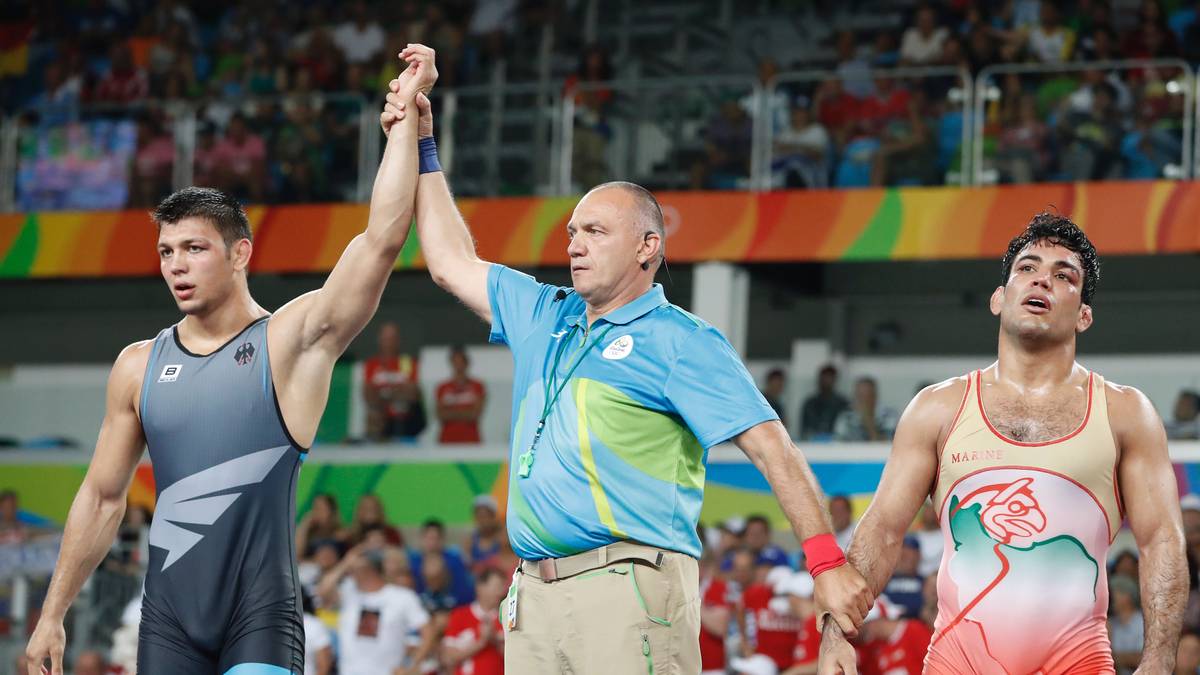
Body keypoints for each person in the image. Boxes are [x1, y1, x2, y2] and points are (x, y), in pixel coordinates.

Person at [381, 44, 872, 673]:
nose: (574, 245)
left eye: (595, 232)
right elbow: (450, 263)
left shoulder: (680, 339)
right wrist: (424, 143)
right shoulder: (545, 313)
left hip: (631, 588)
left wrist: (825, 563)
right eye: (571, 233)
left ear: (648, 247)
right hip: (533, 596)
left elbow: (772, 448)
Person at [23, 48, 437, 675]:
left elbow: (381, 239)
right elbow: (103, 498)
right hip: (166, 623)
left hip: (260, 618)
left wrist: (405, 126)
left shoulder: (289, 343)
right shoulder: (138, 366)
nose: (177, 265)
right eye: (166, 251)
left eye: (194, 248)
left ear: (240, 252)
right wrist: (52, 613)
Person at [820, 213, 1187, 673]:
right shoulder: (937, 408)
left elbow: (1160, 543)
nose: (1042, 281)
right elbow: (883, 530)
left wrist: (1159, 661)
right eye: (1027, 269)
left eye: (1063, 275)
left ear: (1085, 315)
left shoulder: (1126, 412)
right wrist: (837, 633)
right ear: (999, 298)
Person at [319, 546, 437, 675]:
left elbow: (428, 632)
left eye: (355, 568)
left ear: (370, 570)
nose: (351, 572)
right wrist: (345, 563)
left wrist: (412, 666)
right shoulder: (348, 593)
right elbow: (323, 590)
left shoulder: (402, 597)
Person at [363, 321, 425, 441]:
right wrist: (398, 391)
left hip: (406, 422)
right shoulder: (372, 364)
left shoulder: (407, 362)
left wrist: (383, 393)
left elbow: (412, 394)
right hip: (381, 424)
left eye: (392, 338)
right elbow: (368, 396)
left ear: (398, 340)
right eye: (386, 338)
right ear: (379, 340)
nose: (389, 342)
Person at [441, 567, 508, 675]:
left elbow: (517, 659)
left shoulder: (507, 617)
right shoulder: (460, 615)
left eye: (503, 586)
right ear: (480, 587)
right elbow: (448, 658)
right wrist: (481, 642)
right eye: (496, 586)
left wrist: (494, 640)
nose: (501, 591)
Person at [435, 345, 486, 443]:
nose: (458, 365)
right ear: (451, 363)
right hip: (447, 441)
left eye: (461, 361)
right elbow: (440, 415)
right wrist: (465, 412)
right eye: (455, 361)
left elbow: (475, 414)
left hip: (471, 441)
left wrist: (451, 413)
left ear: (466, 363)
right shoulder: (442, 388)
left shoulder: (478, 386)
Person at [833, 377, 899, 442]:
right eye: (859, 396)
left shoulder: (889, 416)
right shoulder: (846, 417)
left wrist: (868, 421)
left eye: (867, 396)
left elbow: (888, 445)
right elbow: (838, 444)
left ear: (875, 396)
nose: (862, 400)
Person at [800, 365, 849, 440]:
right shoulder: (810, 403)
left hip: (837, 444)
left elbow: (845, 429)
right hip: (811, 444)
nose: (826, 381)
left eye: (829, 378)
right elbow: (804, 429)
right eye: (824, 378)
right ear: (819, 379)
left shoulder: (842, 403)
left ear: (835, 380)